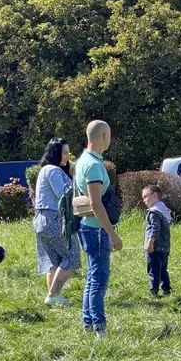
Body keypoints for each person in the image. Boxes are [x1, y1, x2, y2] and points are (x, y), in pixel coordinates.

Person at [75, 120, 122, 337]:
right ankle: (99, 328)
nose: (110, 139)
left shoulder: (84, 160)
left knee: (92, 277)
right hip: (97, 230)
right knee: (98, 280)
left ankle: (87, 324)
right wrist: (112, 234)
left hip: (89, 227)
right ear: (103, 136)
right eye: (109, 135)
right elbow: (95, 203)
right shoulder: (93, 165)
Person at [33, 138, 80, 308]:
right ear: (56, 153)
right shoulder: (53, 170)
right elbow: (64, 194)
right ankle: (53, 295)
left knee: (53, 261)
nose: (68, 156)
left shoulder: (45, 170)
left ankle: (53, 298)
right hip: (54, 219)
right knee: (72, 256)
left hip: (41, 220)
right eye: (65, 152)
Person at [142, 185, 172, 297]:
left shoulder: (154, 212)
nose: (144, 200)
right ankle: (166, 289)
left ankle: (153, 291)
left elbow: (155, 228)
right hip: (165, 247)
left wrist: (150, 243)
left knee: (153, 269)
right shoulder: (163, 209)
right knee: (163, 269)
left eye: (145, 197)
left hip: (155, 246)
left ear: (154, 195)